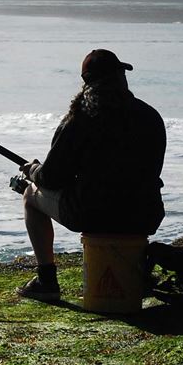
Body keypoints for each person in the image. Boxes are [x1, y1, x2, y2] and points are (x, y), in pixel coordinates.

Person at [16, 49, 166, 301]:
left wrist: (33, 171)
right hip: (145, 214)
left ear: (86, 81)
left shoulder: (80, 118)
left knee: (30, 195)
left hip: (92, 215)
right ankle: (137, 274)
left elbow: (52, 178)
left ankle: (47, 280)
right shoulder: (150, 116)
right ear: (121, 77)